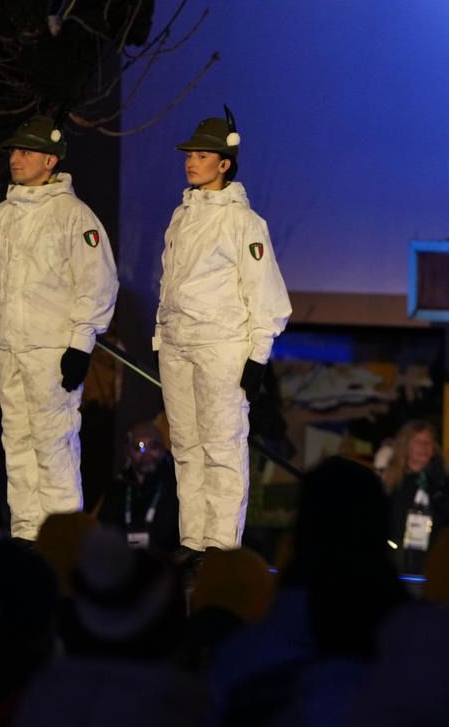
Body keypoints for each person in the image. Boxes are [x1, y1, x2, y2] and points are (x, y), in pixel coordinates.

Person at [156, 107, 291, 558]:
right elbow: (169, 282)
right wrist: (161, 334)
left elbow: (266, 292)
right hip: (178, 345)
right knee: (186, 447)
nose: (191, 162)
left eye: (201, 155)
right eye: (189, 154)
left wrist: (258, 355)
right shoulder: (181, 215)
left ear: (224, 164)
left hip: (221, 346)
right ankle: (193, 541)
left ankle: (219, 548)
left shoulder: (243, 222)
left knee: (222, 447)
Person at [0, 115, 118, 545]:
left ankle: (63, 543)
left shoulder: (73, 215)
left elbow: (98, 282)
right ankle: (27, 535)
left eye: (26, 151)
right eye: (14, 150)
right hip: (12, 348)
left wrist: (81, 345)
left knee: (54, 445)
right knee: (17, 443)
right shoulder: (3, 215)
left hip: (52, 350)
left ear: (50, 160)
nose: (16, 158)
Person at [380, 419, 449, 574]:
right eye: (418, 441)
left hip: (436, 563)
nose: (424, 446)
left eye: (428, 442)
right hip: (397, 563)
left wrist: (437, 488)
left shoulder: (448, 483)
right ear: (405, 445)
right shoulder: (390, 483)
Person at [96, 421, 180, 554]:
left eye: (153, 446)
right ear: (127, 452)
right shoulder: (118, 487)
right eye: (139, 447)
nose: (146, 454)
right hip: (123, 561)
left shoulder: (176, 485)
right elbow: (105, 530)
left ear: (164, 450)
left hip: (165, 562)